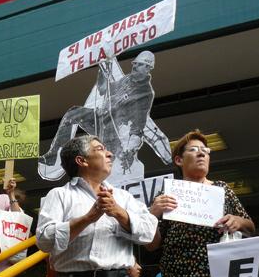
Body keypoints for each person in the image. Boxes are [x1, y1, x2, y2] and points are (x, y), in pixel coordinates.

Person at [36, 133, 157, 277]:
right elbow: (44, 239)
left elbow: (149, 233)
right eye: (100, 149)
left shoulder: (123, 197)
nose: (109, 153)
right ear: (82, 161)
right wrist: (89, 218)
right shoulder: (59, 195)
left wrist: (119, 213)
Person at [146, 129, 254, 277]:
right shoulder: (168, 194)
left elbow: (250, 226)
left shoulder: (221, 189)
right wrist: (153, 214)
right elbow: (152, 245)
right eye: (194, 150)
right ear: (178, 160)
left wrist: (237, 221)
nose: (202, 155)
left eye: (206, 151)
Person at [38, 51, 172, 185]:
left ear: (148, 68)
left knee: (106, 168)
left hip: (116, 132)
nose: (135, 67)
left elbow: (138, 123)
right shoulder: (127, 80)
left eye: (140, 65)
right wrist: (104, 75)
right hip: (101, 119)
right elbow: (106, 89)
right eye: (135, 64)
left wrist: (130, 149)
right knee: (73, 114)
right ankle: (53, 156)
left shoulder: (144, 92)